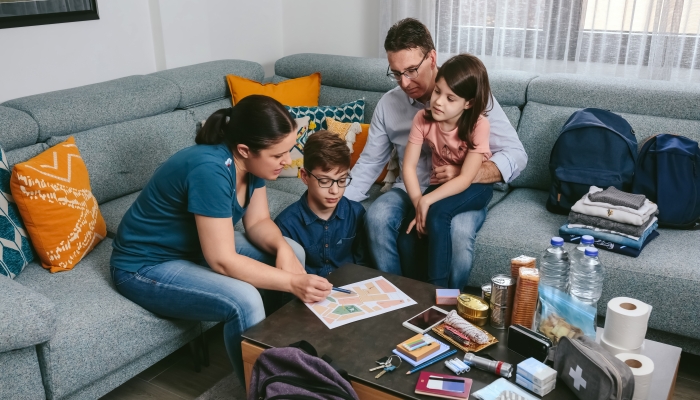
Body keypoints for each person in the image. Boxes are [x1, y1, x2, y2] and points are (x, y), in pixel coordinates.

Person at [109, 95, 333, 383]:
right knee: (244, 299)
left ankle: (287, 353)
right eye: (278, 156)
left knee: (293, 250)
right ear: (244, 149)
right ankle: (260, 388)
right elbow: (222, 260)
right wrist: (293, 282)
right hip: (143, 266)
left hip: (191, 248)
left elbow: (259, 222)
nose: (287, 161)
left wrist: (282, 249)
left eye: (288, 151)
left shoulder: (252, 165)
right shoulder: (210, 170)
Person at [343, 18, 527, 289]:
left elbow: (516, 154)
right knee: (377, 217)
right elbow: (370, 162)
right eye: (396, 73)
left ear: (432, 58)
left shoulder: (470, 96)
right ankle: (398, 298)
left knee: (459, 233)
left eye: (412, 70)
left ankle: (447, 307)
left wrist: (468, 173)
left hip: (459, 189)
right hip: (410, 188)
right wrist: (333, 202)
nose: (404, 82)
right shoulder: (389, 105)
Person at [403, 54, 494, 287]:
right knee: (411, 230)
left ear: (468, 103)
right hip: (440, 184)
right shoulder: (422, 119)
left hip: (475, 186)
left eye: (450, 98)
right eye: (437, 92)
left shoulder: (478, 125)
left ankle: (439, 295)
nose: (438, 102)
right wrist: (417, 203)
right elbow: (409, 167)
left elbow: (465, 179)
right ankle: (416, 292)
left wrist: (428, 202)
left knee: (438, 214)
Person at [275, 130, 366, 278]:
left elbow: (364, 266)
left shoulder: (356, 213)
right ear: (305, 176)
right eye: (324, 181)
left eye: (342, 180)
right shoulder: (286, 225)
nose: (335, 190)